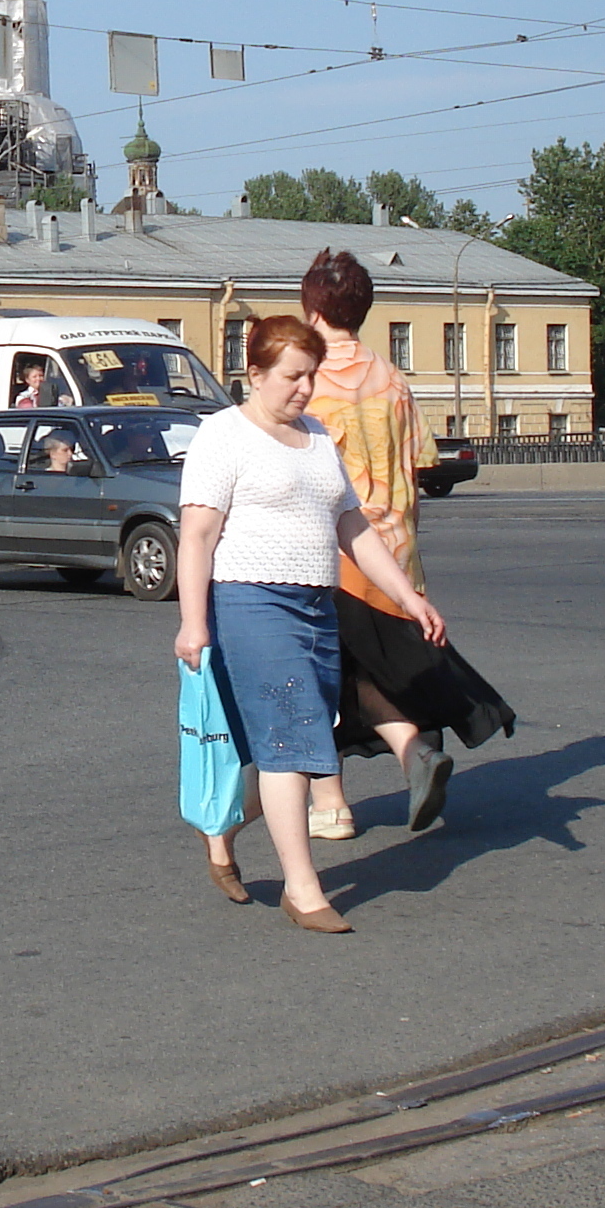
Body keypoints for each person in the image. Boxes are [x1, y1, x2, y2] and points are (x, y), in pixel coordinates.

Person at [175, 315, 447, 933]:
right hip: (251, 603)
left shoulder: (318, 436)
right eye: (292, 376)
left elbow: (352, 527)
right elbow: (196, 535)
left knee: (290, 744)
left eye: (311, 376)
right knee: (290, 743)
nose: (304, 388)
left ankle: (220, 825)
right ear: (255, 374)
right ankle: (304, 889)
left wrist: (406, 597)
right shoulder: (223, 436)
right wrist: (194, 624)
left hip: (317, 609)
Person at [296, 248, 460, 841]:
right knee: (385, 673)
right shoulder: (394, 380)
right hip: (398, 556)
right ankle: (414, 753)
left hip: (333, 559)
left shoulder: (305, 384)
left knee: (321, 679)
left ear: (312, 309)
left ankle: (331, 804)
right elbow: (419, 465)